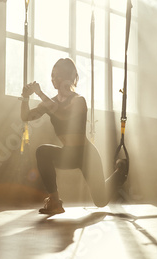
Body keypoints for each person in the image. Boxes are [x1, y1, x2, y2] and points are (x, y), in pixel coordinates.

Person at [20, 58, 128, 215]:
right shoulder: (49, 103)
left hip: (86, 155)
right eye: (52, 75)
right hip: (68, 153)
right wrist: (25, 98)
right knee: (42, 151)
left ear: (67, 78)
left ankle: (120, 172)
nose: (53, 79)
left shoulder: (78, 100)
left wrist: (40, 93)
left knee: (100, 201)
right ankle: (55, 202)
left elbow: (63, 115)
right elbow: (25, 117)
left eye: (57, 75)